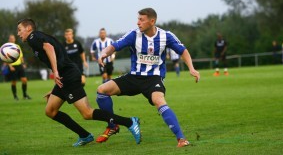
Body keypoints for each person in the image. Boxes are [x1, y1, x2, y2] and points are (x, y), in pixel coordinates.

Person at [16, 18, 141, 147]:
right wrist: (55, 88)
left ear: (29, 28)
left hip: (68, 76)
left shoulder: (33, 37)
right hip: (64, 77)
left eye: (20, 30)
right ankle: (84, 135)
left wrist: (55, 72)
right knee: (50, 111)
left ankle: (129, 122)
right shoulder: (38, 37)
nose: (18, 34)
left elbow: (49, 48)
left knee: (87, 113)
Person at [95, 8, 200, 147]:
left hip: (153, 79)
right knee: (102, 90)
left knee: (159, 100)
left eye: (141, 20)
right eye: (138, 19)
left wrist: (191, 68)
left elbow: (183, 51)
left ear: (152, 21)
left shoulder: (166, 36)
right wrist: (104, 53)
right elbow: (114, 46)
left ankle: (181, 139)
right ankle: (112, 125)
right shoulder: (134, 35)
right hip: (134, 77)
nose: (138, 23)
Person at [6, 34, 31, 100]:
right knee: (14, 82)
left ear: (15, 39)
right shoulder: (6, 47)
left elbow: (21, 56)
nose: (12, 39)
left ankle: (25, 95)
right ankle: (15, 96)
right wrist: (10, 66)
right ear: (9, 39)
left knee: (24, 80)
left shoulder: (17, 46)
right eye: (11, 38)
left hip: (19, 65)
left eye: (13, 38)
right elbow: (5, 58)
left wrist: (23, 63)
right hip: (13, 66)